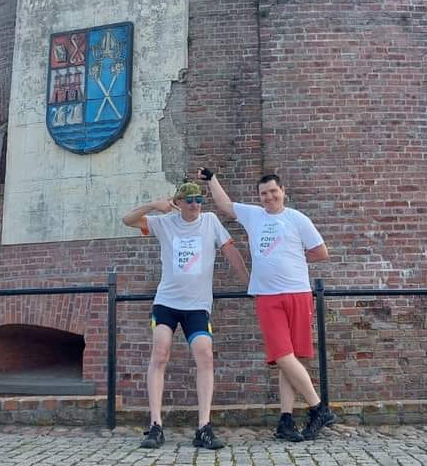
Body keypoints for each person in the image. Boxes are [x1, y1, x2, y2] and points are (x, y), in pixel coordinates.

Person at [201, 168, 336, 441]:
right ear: (259, 196)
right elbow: (225, 205)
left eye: (274, 191)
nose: (269, 197)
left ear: (283, 191)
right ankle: (318, 408)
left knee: (290, 358)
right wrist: (212, 179)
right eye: (264, 193)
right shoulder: (253, 215)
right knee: (282, 354)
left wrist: (294, 256)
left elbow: (321, 252)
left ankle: (286, 420)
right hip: (267, 295)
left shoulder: (297, 219)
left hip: (297, 292)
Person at [122, 181, 249, 450]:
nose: (195, 205)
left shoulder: (210, 221)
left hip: (197, 305)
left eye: (199, 200)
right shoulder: (164, 222)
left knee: (205, 354)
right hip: (167, 302)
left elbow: (230, 251)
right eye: (189, 200)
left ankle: (204, 426)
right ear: (178, 202)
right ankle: (155, 425)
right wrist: (153, 205)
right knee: (160, 352)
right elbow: (127, 220)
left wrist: (250, 283)